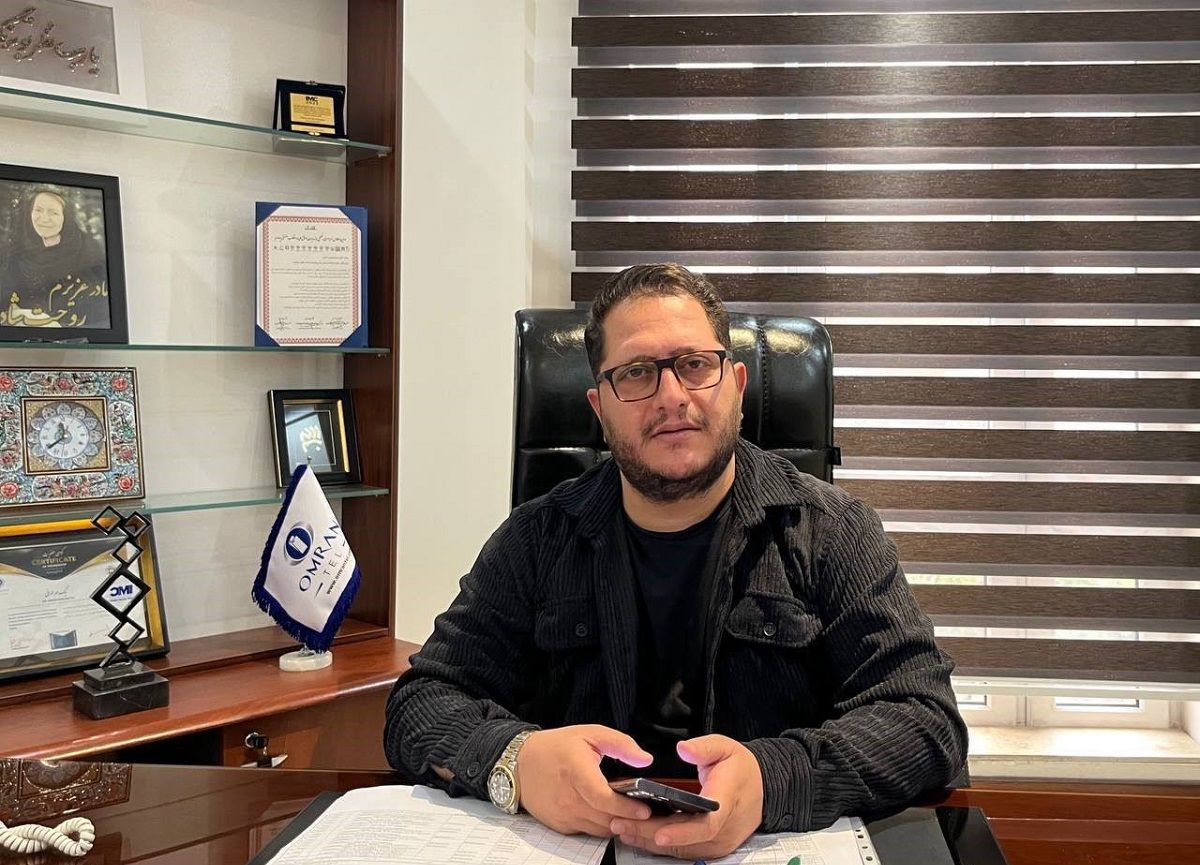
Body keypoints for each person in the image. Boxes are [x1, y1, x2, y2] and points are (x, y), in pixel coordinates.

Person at [384, 263, 967, 861]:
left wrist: (774, 779)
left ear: (736, 384)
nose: (671, 396)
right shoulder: (536, 539)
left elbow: (924, 720)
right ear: (599, 408)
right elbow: (421, 703)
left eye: (694, 365)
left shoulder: (831, 532)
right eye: (636, 372)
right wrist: (516, 761)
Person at [1, 188, 108, 328]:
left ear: (66, 217)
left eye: (53, 213)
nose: (44, 218)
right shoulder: (14, 254)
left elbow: (99, 313)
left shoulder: (87, 252)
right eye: (38, 210)